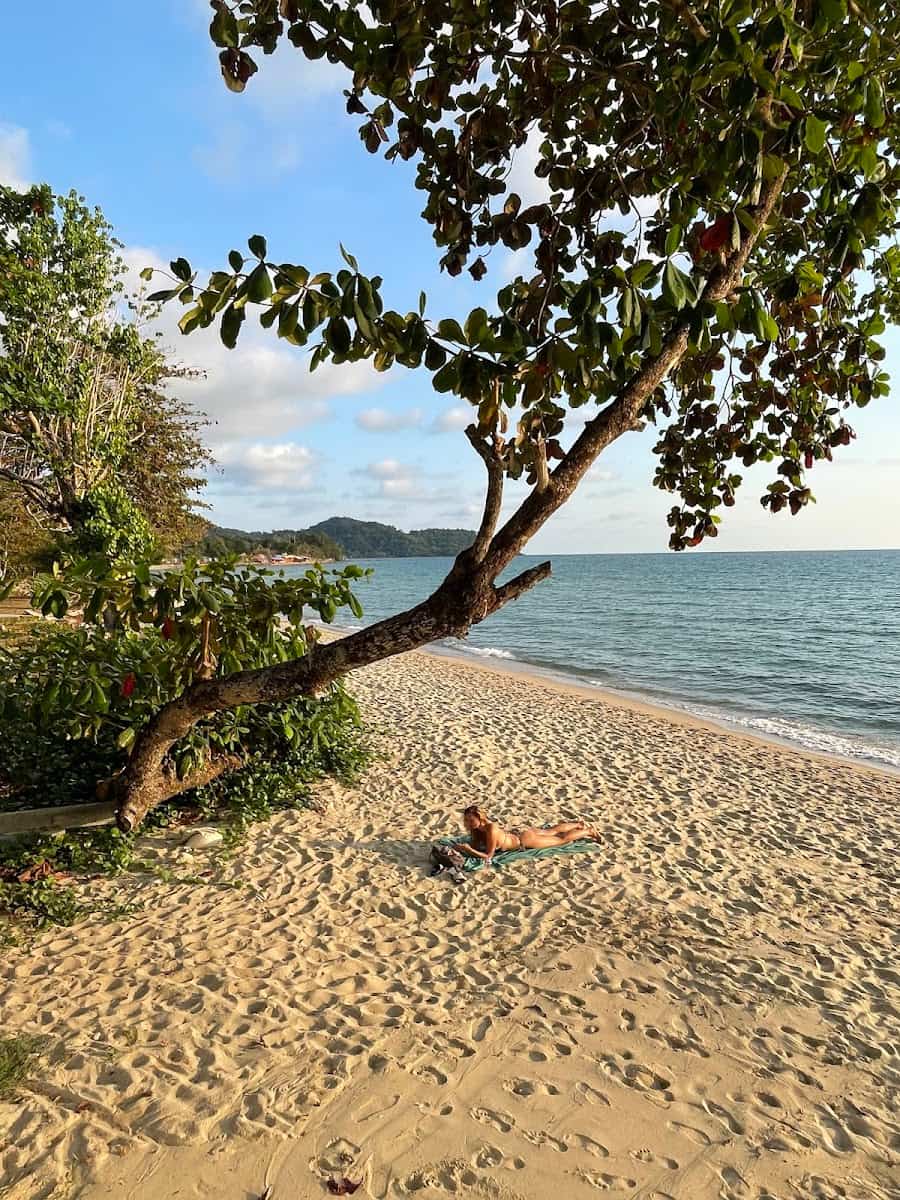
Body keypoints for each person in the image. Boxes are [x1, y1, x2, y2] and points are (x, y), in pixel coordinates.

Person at [458, 804, 600, 864]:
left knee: (560, 839)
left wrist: (469, 850)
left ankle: (588, 831)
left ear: (480, 818)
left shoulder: (491, 829)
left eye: (471, 820)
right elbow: (476, 845)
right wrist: (463, 848)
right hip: (520, 832)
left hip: (524, 841)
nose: (469, 824)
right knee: (551, 831)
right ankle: (578, 824)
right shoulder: (478, 829)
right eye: (466, 821)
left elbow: (489, 856)